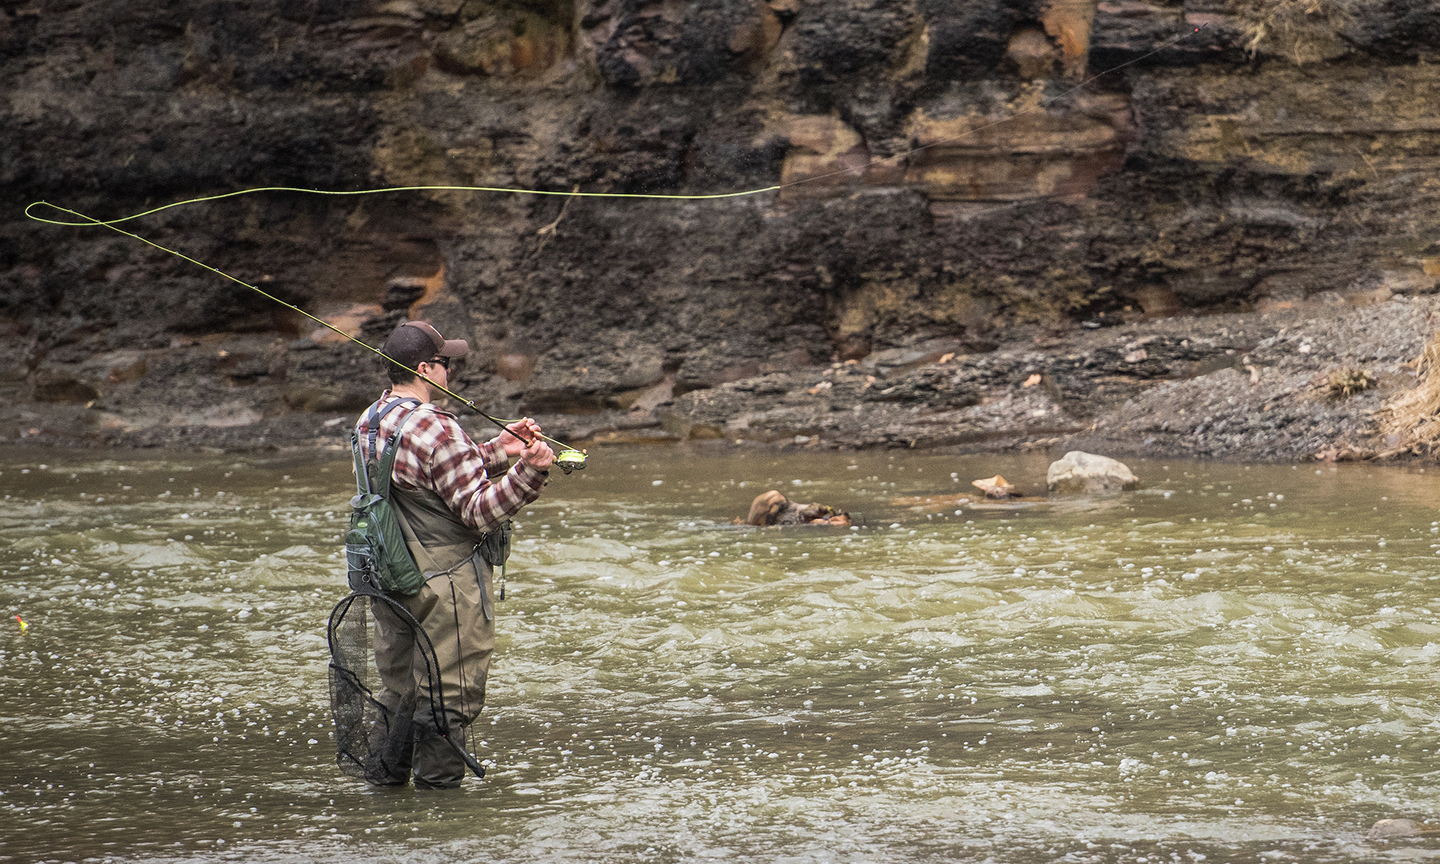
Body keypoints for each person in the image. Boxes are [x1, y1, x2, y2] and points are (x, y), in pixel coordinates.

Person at [354, 320, 554, 788]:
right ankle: (439, 814)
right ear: (425, 368)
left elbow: (423, 475)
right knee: (448, 697)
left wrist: (496, 450)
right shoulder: (437, 427)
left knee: (399, 689)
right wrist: (530, 472)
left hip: (389, 575)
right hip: (443, 584)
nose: (452, 370)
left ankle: (388, 803)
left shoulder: (371, 418)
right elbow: (477, 510)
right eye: (446, 362)